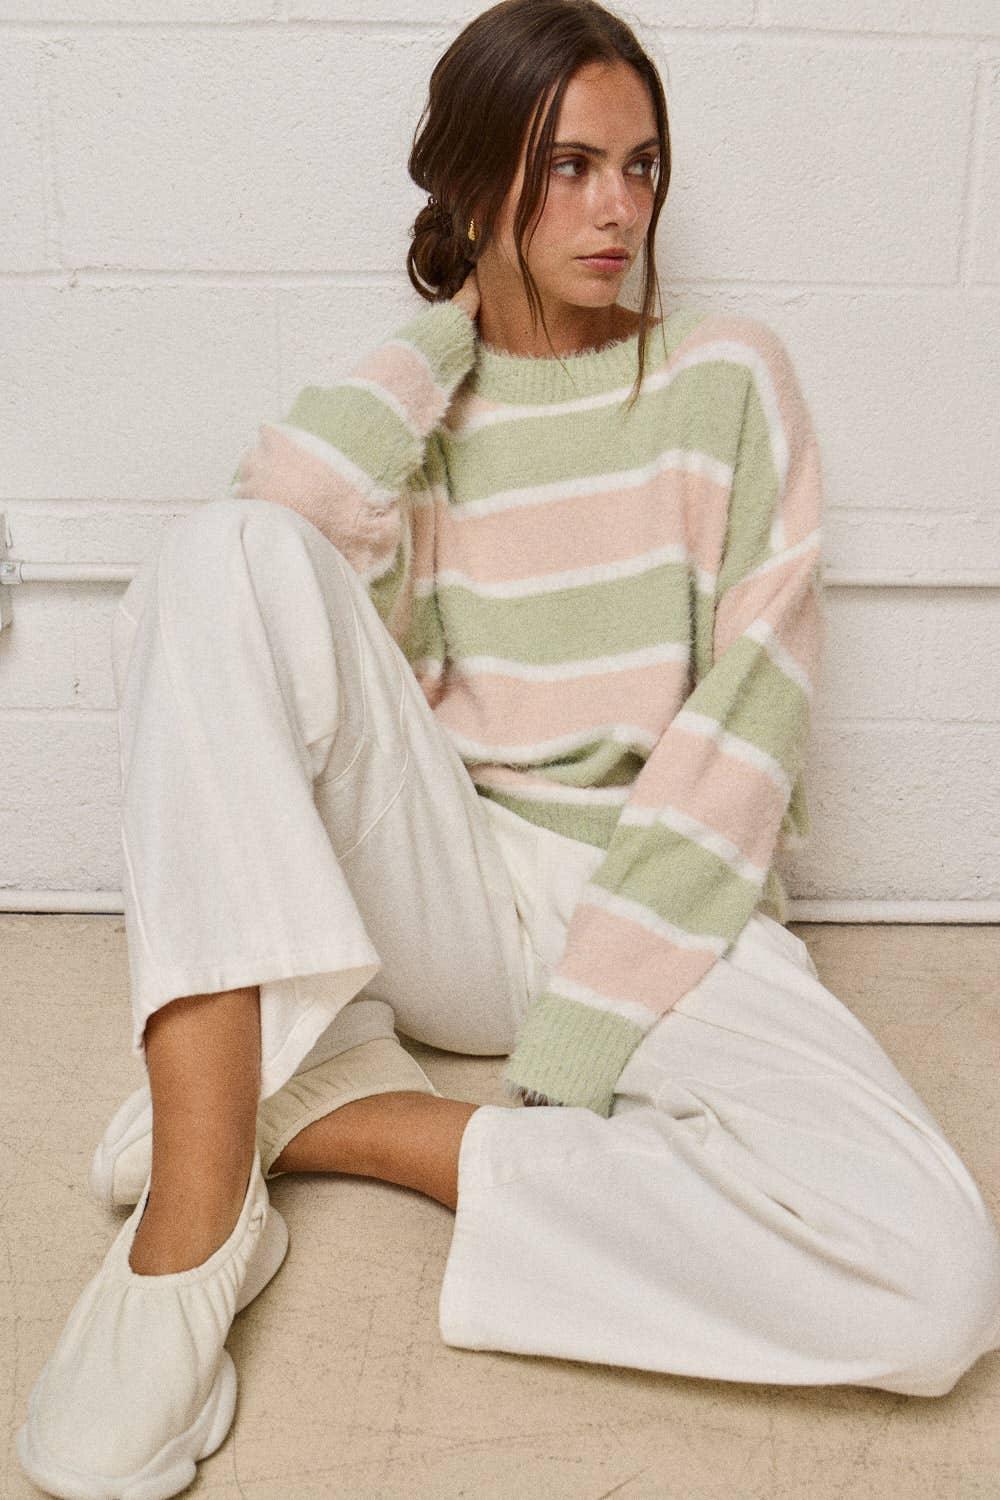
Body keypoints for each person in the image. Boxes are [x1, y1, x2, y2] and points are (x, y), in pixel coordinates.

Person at [19, 1, 1000, 1495]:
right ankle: (193, 1228)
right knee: (219, 555)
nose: (620, 211)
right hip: (455, 880)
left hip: (673, 899)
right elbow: (273, 548)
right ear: (481, 184)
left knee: (933, 1283)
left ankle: (347, 1119)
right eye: (568, 168)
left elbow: (751, 717)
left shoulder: (727, 379)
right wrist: (453, 332)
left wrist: (590, 1021)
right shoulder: (422, 413)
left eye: (642, 166)